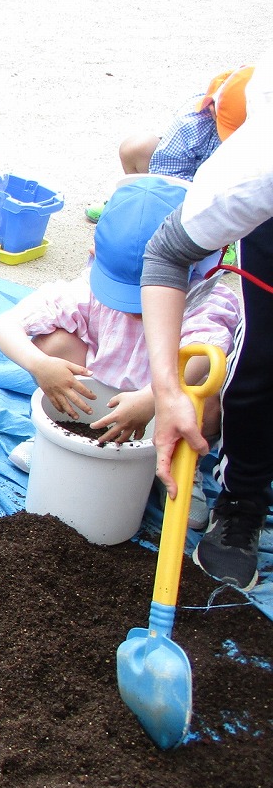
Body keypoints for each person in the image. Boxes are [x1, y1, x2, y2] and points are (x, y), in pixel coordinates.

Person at [0, 176, 240, 528]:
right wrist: (40, 365)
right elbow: (2, 326)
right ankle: (62, 441)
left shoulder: (205, 301)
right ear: (95, 254)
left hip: (161, 405)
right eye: (122, 294)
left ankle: (181, 463)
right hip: (98, 403)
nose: (133, 310)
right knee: (54, 344)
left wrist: (154, 398)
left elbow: (202, 357)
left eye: (144, 298)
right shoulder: (87, 289)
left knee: (210, 395)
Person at [141, 55, 273, 592]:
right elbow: (168, 253)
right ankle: (243, 496)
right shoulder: (255, 175)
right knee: (262, 363)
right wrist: (167, 390)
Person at [87, 64, 255, 223]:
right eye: (230, 131)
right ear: (212, 109)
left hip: (229, 194)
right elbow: (169, 177)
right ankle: (132, 204)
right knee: (136, 147)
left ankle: (229, 235)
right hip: (187, 184)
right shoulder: (190, 123)